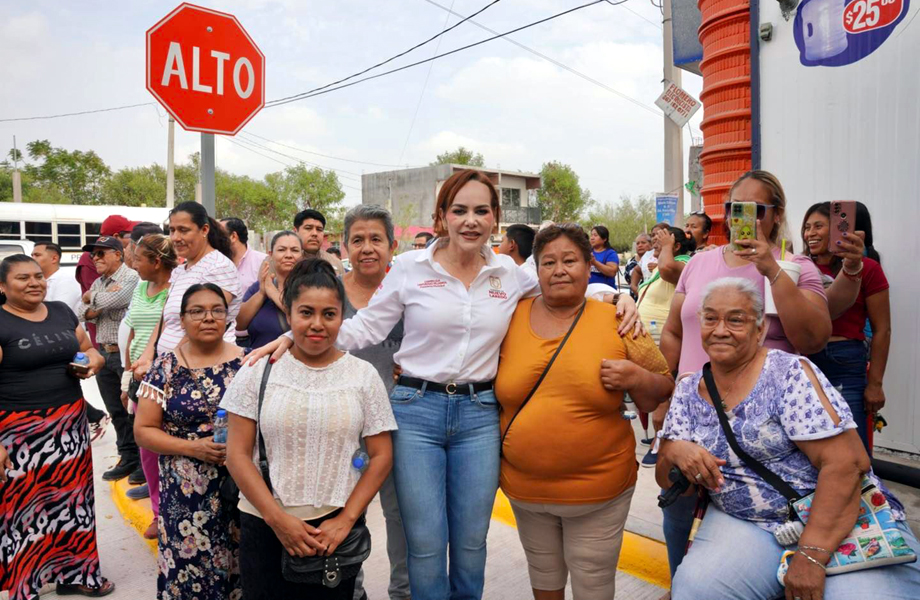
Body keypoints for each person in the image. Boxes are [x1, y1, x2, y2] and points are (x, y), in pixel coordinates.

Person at [248, 170, 639, 598]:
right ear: (443, 217)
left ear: (495, 218)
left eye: (481, 211)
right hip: (416, 411)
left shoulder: (508, 272)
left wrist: (617, 297)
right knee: (427, 543)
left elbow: (560, 286)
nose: (470, 221)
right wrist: (293, 335)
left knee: (472, 543)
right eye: (460, 210)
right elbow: (365, 330)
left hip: (479, 415)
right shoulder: (410, 268)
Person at [656, 277, 920, 599]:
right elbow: (668, 483)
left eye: (736, 319)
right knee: (696, 591)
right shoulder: (687, 389)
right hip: (747, 520)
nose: (720, 329)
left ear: (759, 330)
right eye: (710, 318)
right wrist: (676, 451)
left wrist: (811, 554)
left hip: (831, 515)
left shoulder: (788, 373)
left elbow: (846, 464)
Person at [657, 170, 832, 577]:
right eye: (736, 208)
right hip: (693, 410)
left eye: (756, 210)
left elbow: (813, 339)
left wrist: (771, 268)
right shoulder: (698, 262)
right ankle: (682, 582)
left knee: (748, 523)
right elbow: (673, 330)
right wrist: (669, 388)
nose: (744, 218)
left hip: (761, 430)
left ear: (776, 214)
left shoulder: (794, 266)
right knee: (678, 505)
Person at [496, 224, 674, 600]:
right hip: (525, 490)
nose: (559, 269)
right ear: (536, 269)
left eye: (569, 260)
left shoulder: (617, 319)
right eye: (548, 262)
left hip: (600, 491)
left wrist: (635, 377)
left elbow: (661, 387)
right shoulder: (507, 318)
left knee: (593, 583)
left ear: (587, 263)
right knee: (543, 580)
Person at [223, 260, 397, 600]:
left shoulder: (362, 376)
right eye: (306, 313)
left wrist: (347, 519)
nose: (317, 324)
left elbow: (382, 455)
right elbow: (237, 454)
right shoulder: (259, 370)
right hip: (263, 525)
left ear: (342, 317)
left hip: (332, 533)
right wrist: (278, 521)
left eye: (329, 314)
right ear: (289, 314)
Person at [0, 254, 115, 599]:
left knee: (72, 502)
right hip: (18, 431)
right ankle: (26, 582)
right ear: (3, 286)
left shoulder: (62, 312)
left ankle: (77, 575)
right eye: (23, 278)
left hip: (68, 426)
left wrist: (93, 362)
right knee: (23, 508)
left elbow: (88, 348)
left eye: (38, 276)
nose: (34, 282)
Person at [134, 284, 243, 599]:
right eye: (197, 311)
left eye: (217, 310)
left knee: (241, 567)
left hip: (242, 486)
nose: (208, 318)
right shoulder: (164, 369)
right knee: (189, 571)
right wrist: (192, 448)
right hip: (185, 495)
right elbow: (144, 430)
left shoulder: (249, 364)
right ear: (182, 319)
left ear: (227, 317)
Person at [340, 205, 409, 600]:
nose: (367, 248)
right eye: (358, 240)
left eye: (376, 240)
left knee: (402, 517)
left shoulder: (409, 290)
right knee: (346, 515)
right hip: (342, 425)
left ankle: (404, 592)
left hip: (402, 424)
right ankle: (351, 591)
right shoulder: (328, 291)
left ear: (392, 245)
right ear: (345, 245)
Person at [802, 202, 889, 452]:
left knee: (854, 450)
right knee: (809, 447)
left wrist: (875, 384)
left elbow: (883, 329)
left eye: (819, 226)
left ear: (840, 229)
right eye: (807, 227)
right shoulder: (798, 266)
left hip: (847, 362)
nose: (810, 233)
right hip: (803, 362)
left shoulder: (867, 268)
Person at [133, 201, 242, 378]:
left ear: (204, 230)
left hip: (203, 373)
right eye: (172, 230)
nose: (175, 237)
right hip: (174, 368)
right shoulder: (180, 271)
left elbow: (203, 324)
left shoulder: (218, 267)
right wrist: (147, 357)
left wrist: (166, 366)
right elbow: (165, 319)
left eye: (184, 230)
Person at [122, 234, 178, 537]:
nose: (134, 263)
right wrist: (126, 373)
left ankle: (172, 508)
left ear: (156, 262)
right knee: (147, 449)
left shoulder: (177, 290)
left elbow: (165, 332)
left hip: (165, 378)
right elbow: (132, 330)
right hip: (139, 377)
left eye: (139, 258)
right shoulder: (141, 288)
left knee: (168, 446)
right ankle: (158, 512)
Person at [76, 235, 141, 482]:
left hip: (125, 355)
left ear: (118, 253)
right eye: (93, 254)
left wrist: (91, 298)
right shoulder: (100, 282)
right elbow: (80, 313)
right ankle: (127, 457)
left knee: (132, 410)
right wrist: (94, 298)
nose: (95, 258)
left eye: (101, 253)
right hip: (103, 352)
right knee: (115, 410)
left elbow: (117, 299)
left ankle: (141, 462)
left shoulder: (131, 278)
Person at [635, 227, 695, 467]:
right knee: (654, 392)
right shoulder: (658, 267)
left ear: (676, 246)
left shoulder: (682, 262)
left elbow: (669, 270)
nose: (655, 247)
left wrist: (668, 248)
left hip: (666, 341)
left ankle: (660, 442)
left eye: (661, 243)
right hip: (650, 340)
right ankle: (658, 436)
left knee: (664, 394)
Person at [236, 231, 303, 349]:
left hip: (296, 361)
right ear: (271, 254)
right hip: (260, 363)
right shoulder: (258, 287)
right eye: (281, 250)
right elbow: (240, 324)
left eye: (294, 250)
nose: (288, 255)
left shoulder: (310, 288)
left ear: (302, 255)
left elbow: (303, 318)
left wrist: (272, 292)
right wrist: (262, 293)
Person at [31, 241, 82, 315]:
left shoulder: (66, 281)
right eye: (32, 255)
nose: (32, 259)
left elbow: (59, 313)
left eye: (37, 255)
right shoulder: (37, 281)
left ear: (54, 258)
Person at [221, 218, 267, 293]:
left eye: (219, 234)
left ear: (233, 236)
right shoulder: (215, 263)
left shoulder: (263, 262)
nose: (215, 238)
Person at [293, 209, 345, 276]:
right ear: (295, 231)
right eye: (308, 228)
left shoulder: (335, 263)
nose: (315, 233)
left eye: (319, 229)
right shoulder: (286, 262)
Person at [625, 233, 651, 300]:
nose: (640, 245)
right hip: (634, 299)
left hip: (648, 298)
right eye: (638, 243)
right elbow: (628, 280)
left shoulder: (654, 260)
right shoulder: (630, 261)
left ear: (651, 244)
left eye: (643, 243)